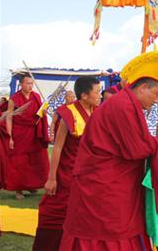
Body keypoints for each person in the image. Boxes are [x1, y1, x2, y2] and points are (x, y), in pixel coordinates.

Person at [59, 50, 158, 250]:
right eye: (156, 94)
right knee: (108, 234)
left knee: (122, 231)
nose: (157, 100)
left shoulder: (126, 103)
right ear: (142, 88)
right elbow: (137, 149)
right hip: (103, 185)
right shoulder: (123, 106)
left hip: (112, 181)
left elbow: (134, 143)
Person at [32, 76, 100, 251]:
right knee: (55, 211)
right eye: (97, 92)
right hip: (67, 173)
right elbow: (57, 148)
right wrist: (52, 178)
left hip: (90, 175)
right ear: (84, 95)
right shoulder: (68, 113)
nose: (99, 95)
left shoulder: (97, 112)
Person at [5, 74, 49, 200]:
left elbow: (39, 113)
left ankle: (30, 185)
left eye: (31, 83)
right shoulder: (14, 99)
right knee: (20, 161)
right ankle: (18, 189)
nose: (30, 86)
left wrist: (43, 112)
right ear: (21, 84)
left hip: (34, 133)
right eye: (28, 83)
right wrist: (10, 137)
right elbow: (9, 117)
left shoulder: (36, 96)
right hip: (20, 133)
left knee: (34, 160)